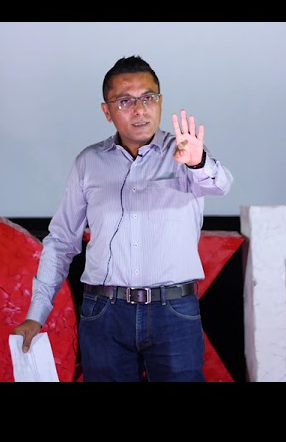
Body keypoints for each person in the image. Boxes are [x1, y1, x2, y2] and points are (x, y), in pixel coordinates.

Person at [12, 55, 234, 382]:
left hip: (173, 310)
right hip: (105, 312)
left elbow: (220, 185)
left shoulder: (185, 154)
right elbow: (61, 242)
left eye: (148, 98)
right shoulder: (89, 162)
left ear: (160, 102)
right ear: (107, 111)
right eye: (125, 101)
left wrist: (198, 162)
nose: (140, 110)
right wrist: (36, 314)